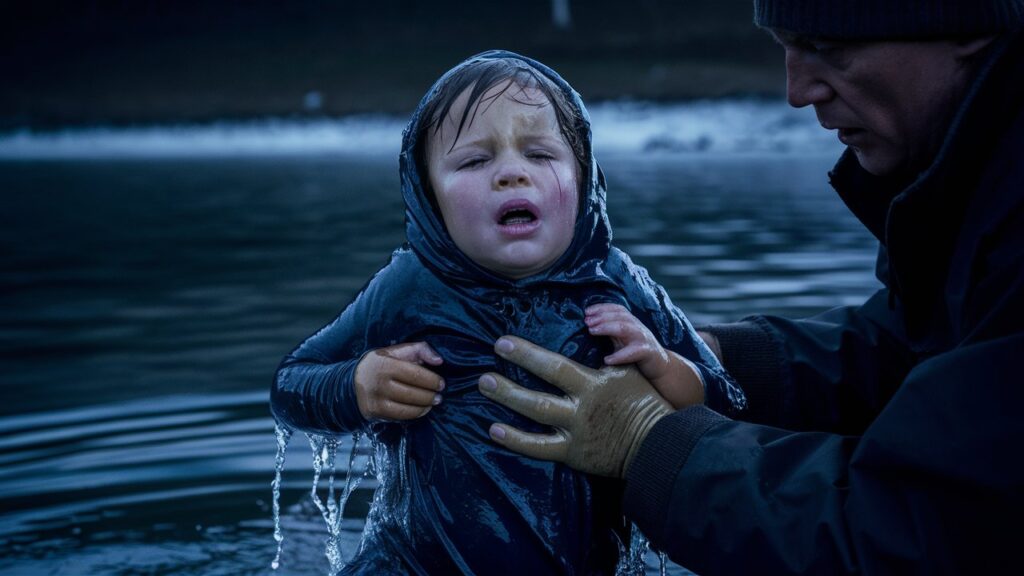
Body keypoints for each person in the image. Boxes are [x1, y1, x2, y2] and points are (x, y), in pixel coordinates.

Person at [478, 1, 1024, 574]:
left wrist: (650, 444)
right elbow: (915, 350)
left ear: (964, 25)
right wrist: (713, 361)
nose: (797, 91)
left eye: (828, 50)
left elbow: (919, 528)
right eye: (785, 48)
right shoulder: (977, 178)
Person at [270, 50, 744, 575]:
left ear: (583, 179)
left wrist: (665, 370)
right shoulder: (409, 288)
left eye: (541, 155)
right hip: (412, 564)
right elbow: (292, 384)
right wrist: (357, 385)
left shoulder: (617, 283)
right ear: (429, 199)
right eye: (475, 161)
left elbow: (730, 403)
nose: (512, 174)